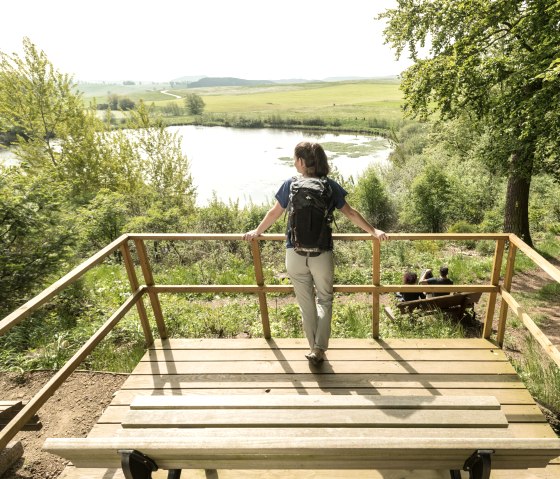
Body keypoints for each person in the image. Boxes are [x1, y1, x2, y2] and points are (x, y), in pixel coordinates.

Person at [243, 141, 387, 365]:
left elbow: (274, 213)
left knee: (306, 303)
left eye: (295, 159)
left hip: (295, 252)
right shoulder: (330, 186)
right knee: (325, 299)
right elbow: (350, 212)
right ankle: (319, 348)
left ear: (301, 162)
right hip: (322, 253)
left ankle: (313, 348)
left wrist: (257, 231)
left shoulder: (289, 185)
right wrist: (373, 230)